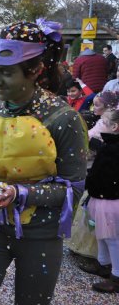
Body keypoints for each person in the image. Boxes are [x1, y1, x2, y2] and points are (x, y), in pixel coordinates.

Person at [0, 20, 88, 304]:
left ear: (35, 70)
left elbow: (74, 189)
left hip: (41, 234)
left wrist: (19, 193)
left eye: (6, 73)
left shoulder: (64, 119)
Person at [85, 108, 119, 293]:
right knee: (102, 234)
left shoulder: (113, 149)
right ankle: (103, 264)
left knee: (112, 238)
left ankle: (116, 276)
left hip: (111, 199)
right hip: (101, 196)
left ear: (115, 127)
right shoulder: (108, 146)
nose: (99, 126)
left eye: (103, 123)